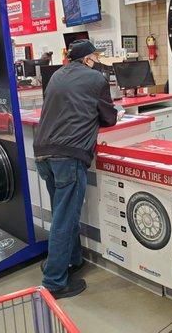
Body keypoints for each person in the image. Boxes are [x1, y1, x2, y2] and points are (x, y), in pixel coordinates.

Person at [33, 39, 118, 299]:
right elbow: (109, 117)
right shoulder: (96, 79)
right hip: (68, 156)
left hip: (43, 153)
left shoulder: (57, 75)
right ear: (89, 59)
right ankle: (54, 282)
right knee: (65, 218)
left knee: (62, 210)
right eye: (95, 57)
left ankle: (73, 260)